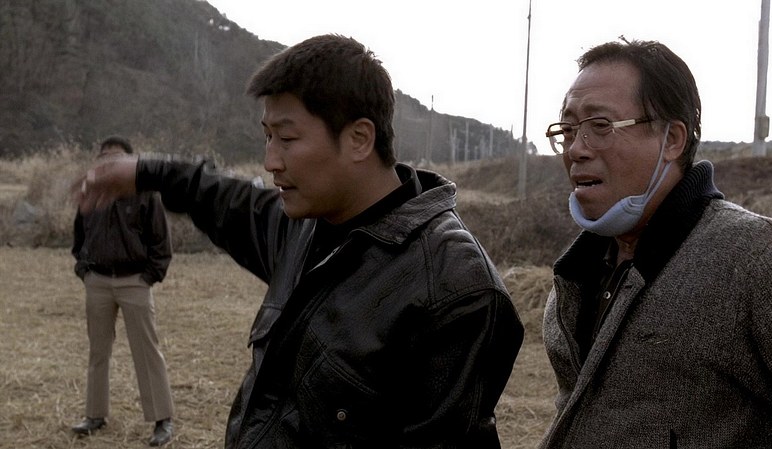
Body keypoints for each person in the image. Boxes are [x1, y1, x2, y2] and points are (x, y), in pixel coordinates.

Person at [74, 34, 524, 448]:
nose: (270, 160)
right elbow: (222, 198)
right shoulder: (304, 227)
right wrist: (144, 172)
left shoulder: (454, 288)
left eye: (287, 138)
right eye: (267, 136)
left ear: (359, 138)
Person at [539, 38, 772, 448]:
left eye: (600, 126)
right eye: (568, 130)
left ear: (672, 139)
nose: (575, 149)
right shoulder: (578, 271)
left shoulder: (761, 261)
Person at [71, 136, 175, 446]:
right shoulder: (90, 195)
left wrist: (149, 277)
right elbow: (79, 237)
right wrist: (85, 270)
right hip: (98, 282)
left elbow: (161, 242)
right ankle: (95, 415)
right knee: (98, 351)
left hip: (134, 282)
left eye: (115, 157)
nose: (108, 162)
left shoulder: (146, 194)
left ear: (130, 162)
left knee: (147, 352)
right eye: (104, 157)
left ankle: (162, 419)